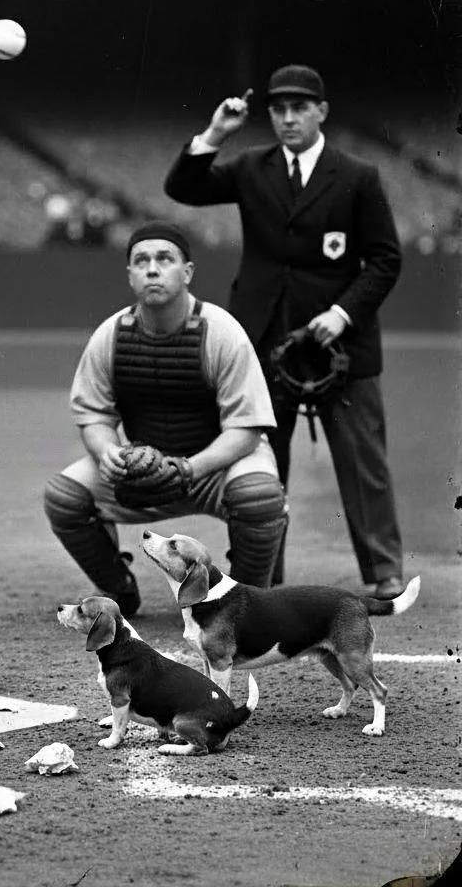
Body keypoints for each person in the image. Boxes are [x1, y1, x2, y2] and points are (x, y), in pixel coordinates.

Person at [163, 64, 405, 598]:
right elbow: (182, 186)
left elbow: (385, 260)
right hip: (266, 342)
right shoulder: (252, 166)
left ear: (321, 111)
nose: (289, 118)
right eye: (279, 110)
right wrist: (216, 133)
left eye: (300, 108)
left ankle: (384, 570)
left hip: (341, 343)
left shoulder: (358, 175)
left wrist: (342, 314)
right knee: (263, 466)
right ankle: (264, 575)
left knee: (363, 463)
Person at [42, 222, 288, 615]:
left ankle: (245, 603)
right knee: (65, 497)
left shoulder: (220, 332)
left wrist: (189, 468)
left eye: (164, 259)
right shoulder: (112, 335)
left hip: (216, 468)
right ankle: (117, 589)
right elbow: (93, 415)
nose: (152, 269)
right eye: (141, 260)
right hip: (147, 471)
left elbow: (246, 430)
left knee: (258, 495)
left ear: (187, 272)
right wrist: (107, 451)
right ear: (130, 275)